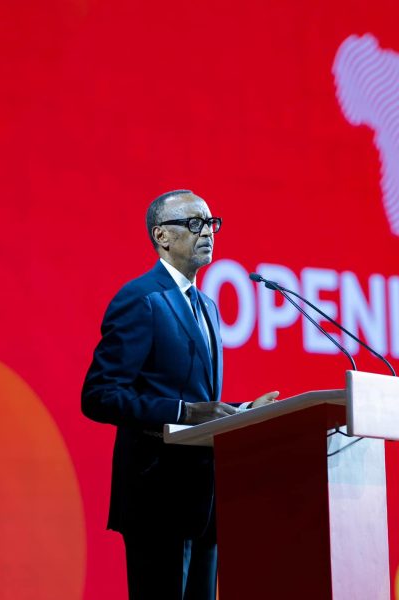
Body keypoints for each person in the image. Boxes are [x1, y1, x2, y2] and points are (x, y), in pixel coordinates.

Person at [82, 189, 278, 600]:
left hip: (205, 502)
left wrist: (244, 410)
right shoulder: (142, 299)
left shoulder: (207, 306)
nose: (207, 232)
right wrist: (182, 412)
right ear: (162, 236)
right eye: (193, 223)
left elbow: (201, 402)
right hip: (157, 499)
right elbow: (99, 395)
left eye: (211, 223)